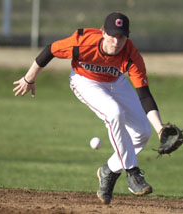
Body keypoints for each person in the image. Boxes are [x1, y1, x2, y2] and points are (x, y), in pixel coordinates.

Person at [13, 12, 164, 205]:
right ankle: (132, 172)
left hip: (116, 83)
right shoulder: (83, 43)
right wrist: (29, 78)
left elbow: (144, 95)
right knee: (114, 113)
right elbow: (50, 50)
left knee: (143, 132)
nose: (116, 41)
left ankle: (108, 170)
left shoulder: (131, 55)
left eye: (121, 37)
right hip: (85, 81)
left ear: (128, 36)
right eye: (112, 35)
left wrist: (160, 128)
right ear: (102, 32)